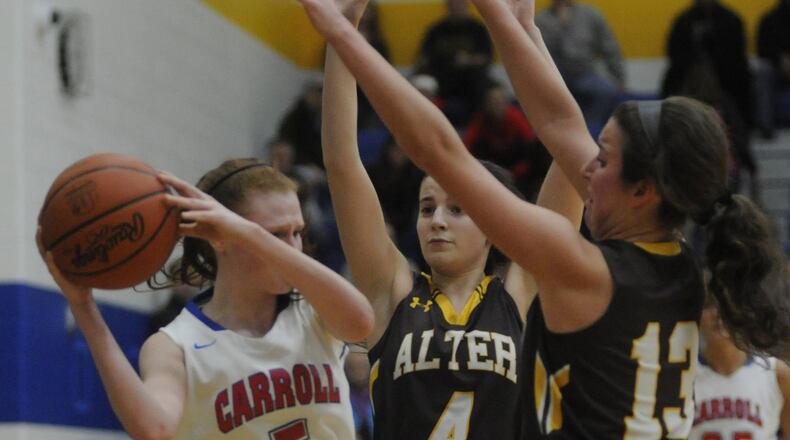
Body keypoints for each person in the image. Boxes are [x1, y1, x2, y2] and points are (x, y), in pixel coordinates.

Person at [298, 0, 790, 438]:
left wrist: (341, 33)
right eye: (428, 209)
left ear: (642, 190)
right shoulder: (674, 255)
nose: (587, 168)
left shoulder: (581, 269)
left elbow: (439, 149)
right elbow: (559, 124)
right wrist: (512, 22)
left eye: (602, 160)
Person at [318, 0, 582, 438]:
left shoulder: (520, 292)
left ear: (493, 223)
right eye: (427, 208)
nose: (437, 220)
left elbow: (571, 153)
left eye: (458, 209)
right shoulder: (393, 290)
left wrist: (525, 33)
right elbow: (343, 162)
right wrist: (343, 28)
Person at [36, 159, 374, 439]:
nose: (293, 248)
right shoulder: (176, 345)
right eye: (275, 234)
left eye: (297, 232)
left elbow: (360, 321)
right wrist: (83, 306)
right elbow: (154, 428)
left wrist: (251, 234)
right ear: (221, 238)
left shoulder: (313, 310)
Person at [689, 296, 790, 440]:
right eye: (709, 306)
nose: (718, 314)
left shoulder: (777, 373)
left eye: (729, 306)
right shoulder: (683, 376)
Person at [661, 0, 753, 129]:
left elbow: (735, 55)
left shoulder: (730, 20)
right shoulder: (684, 20)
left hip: (726, 76)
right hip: (689, 73)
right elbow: (675, 53)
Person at [535, 0, 625, 131]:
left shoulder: (591, 15)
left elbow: (610, 48)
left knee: (607, 92)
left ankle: (592, 130)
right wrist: (562, 26)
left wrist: (619, 78)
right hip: (556, 80)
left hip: (586, 74)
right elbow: (539, 56)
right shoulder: (542, 20)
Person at [415, 0, 495, 126]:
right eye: (453, 5)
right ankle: (427, 123)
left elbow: (486, 57)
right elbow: (424, 57)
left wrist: (469, 60)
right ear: (447, 7)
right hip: (442, 78)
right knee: (422, 84)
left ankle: (479, 125)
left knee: (485, 85)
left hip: (470, 78)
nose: (456, 8)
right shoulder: (437, 30)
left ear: (466, 7)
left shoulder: (477, 29)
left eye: (460, 4)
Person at [756, 0, 790, 139]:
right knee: (763, 72)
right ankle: (766, 125)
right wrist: (780, 59)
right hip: (775, 68)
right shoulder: (769, 20)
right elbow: (762, 50)